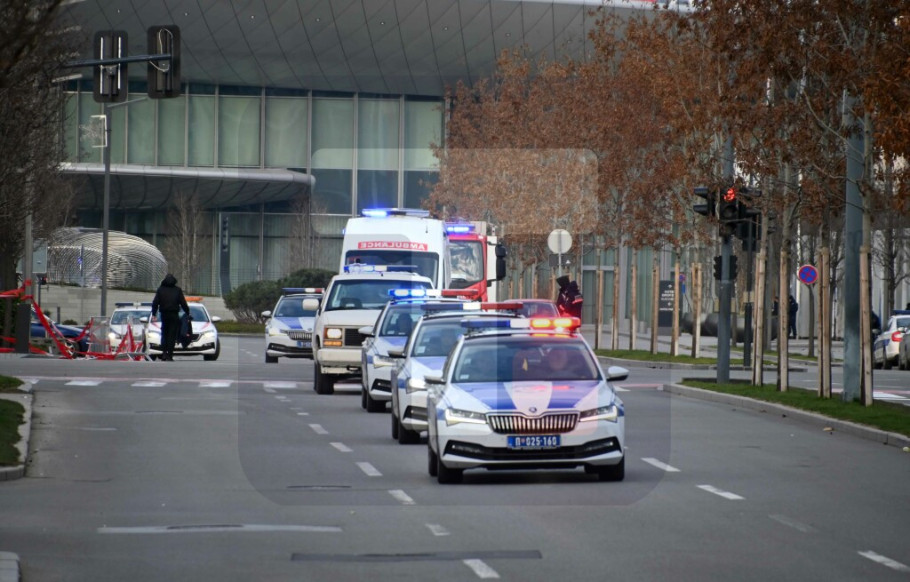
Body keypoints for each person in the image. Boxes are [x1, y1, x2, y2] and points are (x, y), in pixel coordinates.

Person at [151, 273, 190, 361]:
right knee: (172, 335)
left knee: (164, 334)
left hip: (164, 314)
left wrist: (154, 313)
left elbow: (155, 302)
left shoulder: (160, 290)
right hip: (174, 314)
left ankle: (164, 353)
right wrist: (187, 312)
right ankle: (170, 355)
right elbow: (183, 303)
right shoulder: (177, 290)